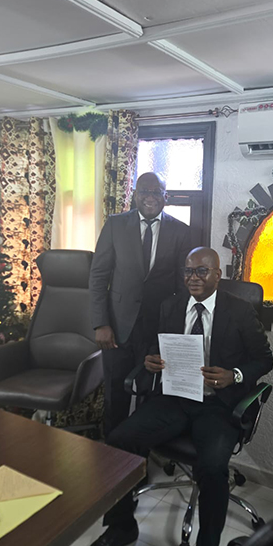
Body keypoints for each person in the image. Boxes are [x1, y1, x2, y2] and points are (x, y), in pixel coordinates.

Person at [81, 247, 273, 546]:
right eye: (188, 271)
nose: (193, 278)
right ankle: (121, 527)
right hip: (175, 398)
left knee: (212, 468)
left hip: (218, 406)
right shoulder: (170, 306)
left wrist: (234, 375)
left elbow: (264, 359)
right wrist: (151, 360)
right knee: (119, 440)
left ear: (217, 275)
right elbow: (157, 349)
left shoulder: (240, 310)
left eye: (201, 271)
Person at [90, 172, 192, 433]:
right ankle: (112, 451)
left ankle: (140, 453)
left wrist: (176, 331)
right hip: (117, 326)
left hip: (156, 329)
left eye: (156, 192)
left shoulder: (181, 231)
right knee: (115, 394)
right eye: (144, 191)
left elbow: (182, 286)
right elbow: (98, 276)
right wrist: (100, 323)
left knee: (150, 394)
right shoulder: (115, 225)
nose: (150, 197)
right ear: (134, 195)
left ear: (165, 197)